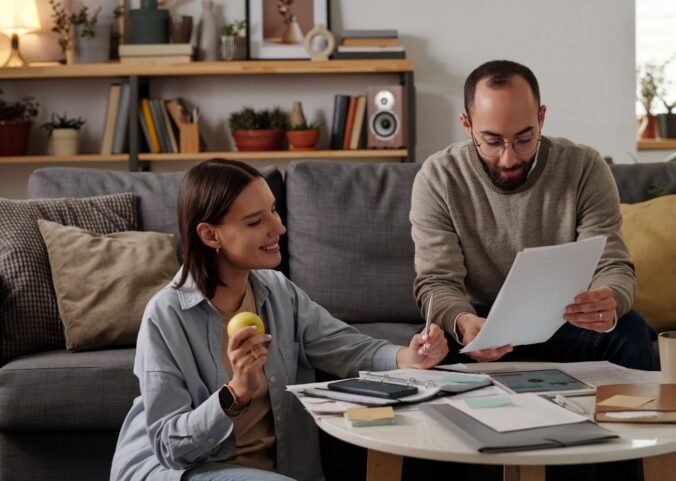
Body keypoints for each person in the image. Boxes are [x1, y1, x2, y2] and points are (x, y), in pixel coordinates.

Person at [110, 159, 448, 481]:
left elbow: (343, 345)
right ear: (211, 235)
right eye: (255, 222)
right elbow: (169, 448)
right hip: (185, 472)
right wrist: (235, 393)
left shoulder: (278, 291)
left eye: (273, 210)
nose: (279, 228)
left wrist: (407, 356)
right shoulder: (166, 315)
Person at [410, 60, 653, 481]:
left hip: (563, 320)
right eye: (492, 141)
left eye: (524, 138)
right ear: (467, 125)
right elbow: (436, 282)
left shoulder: (584, 167)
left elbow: (613, 263)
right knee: (424, 354)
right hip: (480, 326)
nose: (509, 157)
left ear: (541, 118)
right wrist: (464, 324)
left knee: (630, 332)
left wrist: (608, 299)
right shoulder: (438, 176)